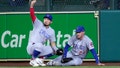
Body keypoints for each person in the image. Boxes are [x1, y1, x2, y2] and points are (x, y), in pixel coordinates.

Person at [26, 0, 63, 67]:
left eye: (48, 19)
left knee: (53, 50)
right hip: (31, 46)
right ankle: (33, 60)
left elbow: (52, 43)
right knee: (40, 45)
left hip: (39, 49)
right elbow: (32, 15)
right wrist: (31, 5)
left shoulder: (52, 31)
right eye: (45, 18)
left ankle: (40, 60)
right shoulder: (38, 23)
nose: (46, 20)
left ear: (51, 22)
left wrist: (57, 50)